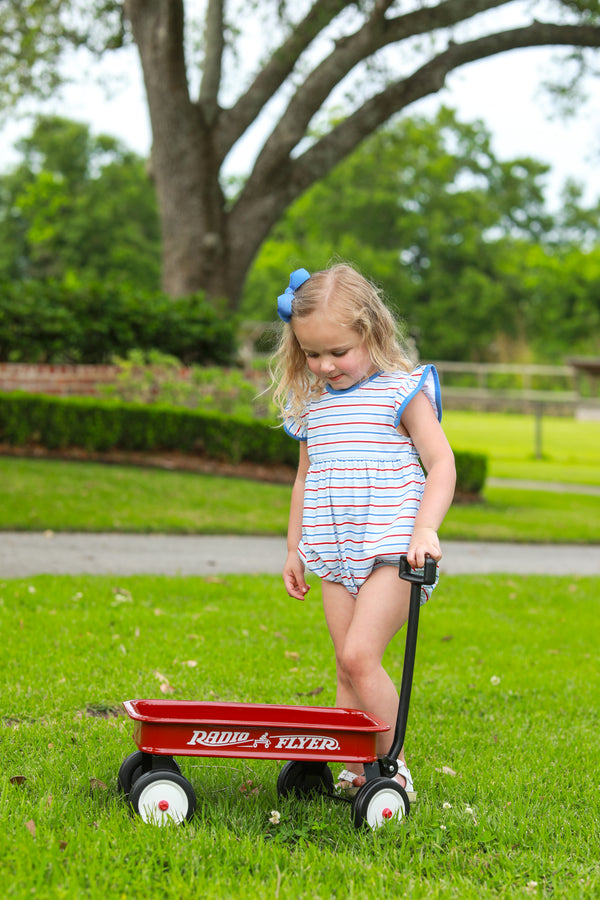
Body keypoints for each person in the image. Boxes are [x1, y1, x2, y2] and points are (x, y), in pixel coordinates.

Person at [271, 263, 456, 799]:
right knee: (344, 667)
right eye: (311, 353)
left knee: (360, 657)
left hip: (393, 549)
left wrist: (425, 530)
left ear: (371, 332)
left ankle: (393, 768)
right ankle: (354, 765)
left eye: (338, 351)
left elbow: (441, 464)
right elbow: (305, 479)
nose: (325, 365)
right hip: (336, 550)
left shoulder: (402, 392)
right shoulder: (312, 407)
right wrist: (294, 548)